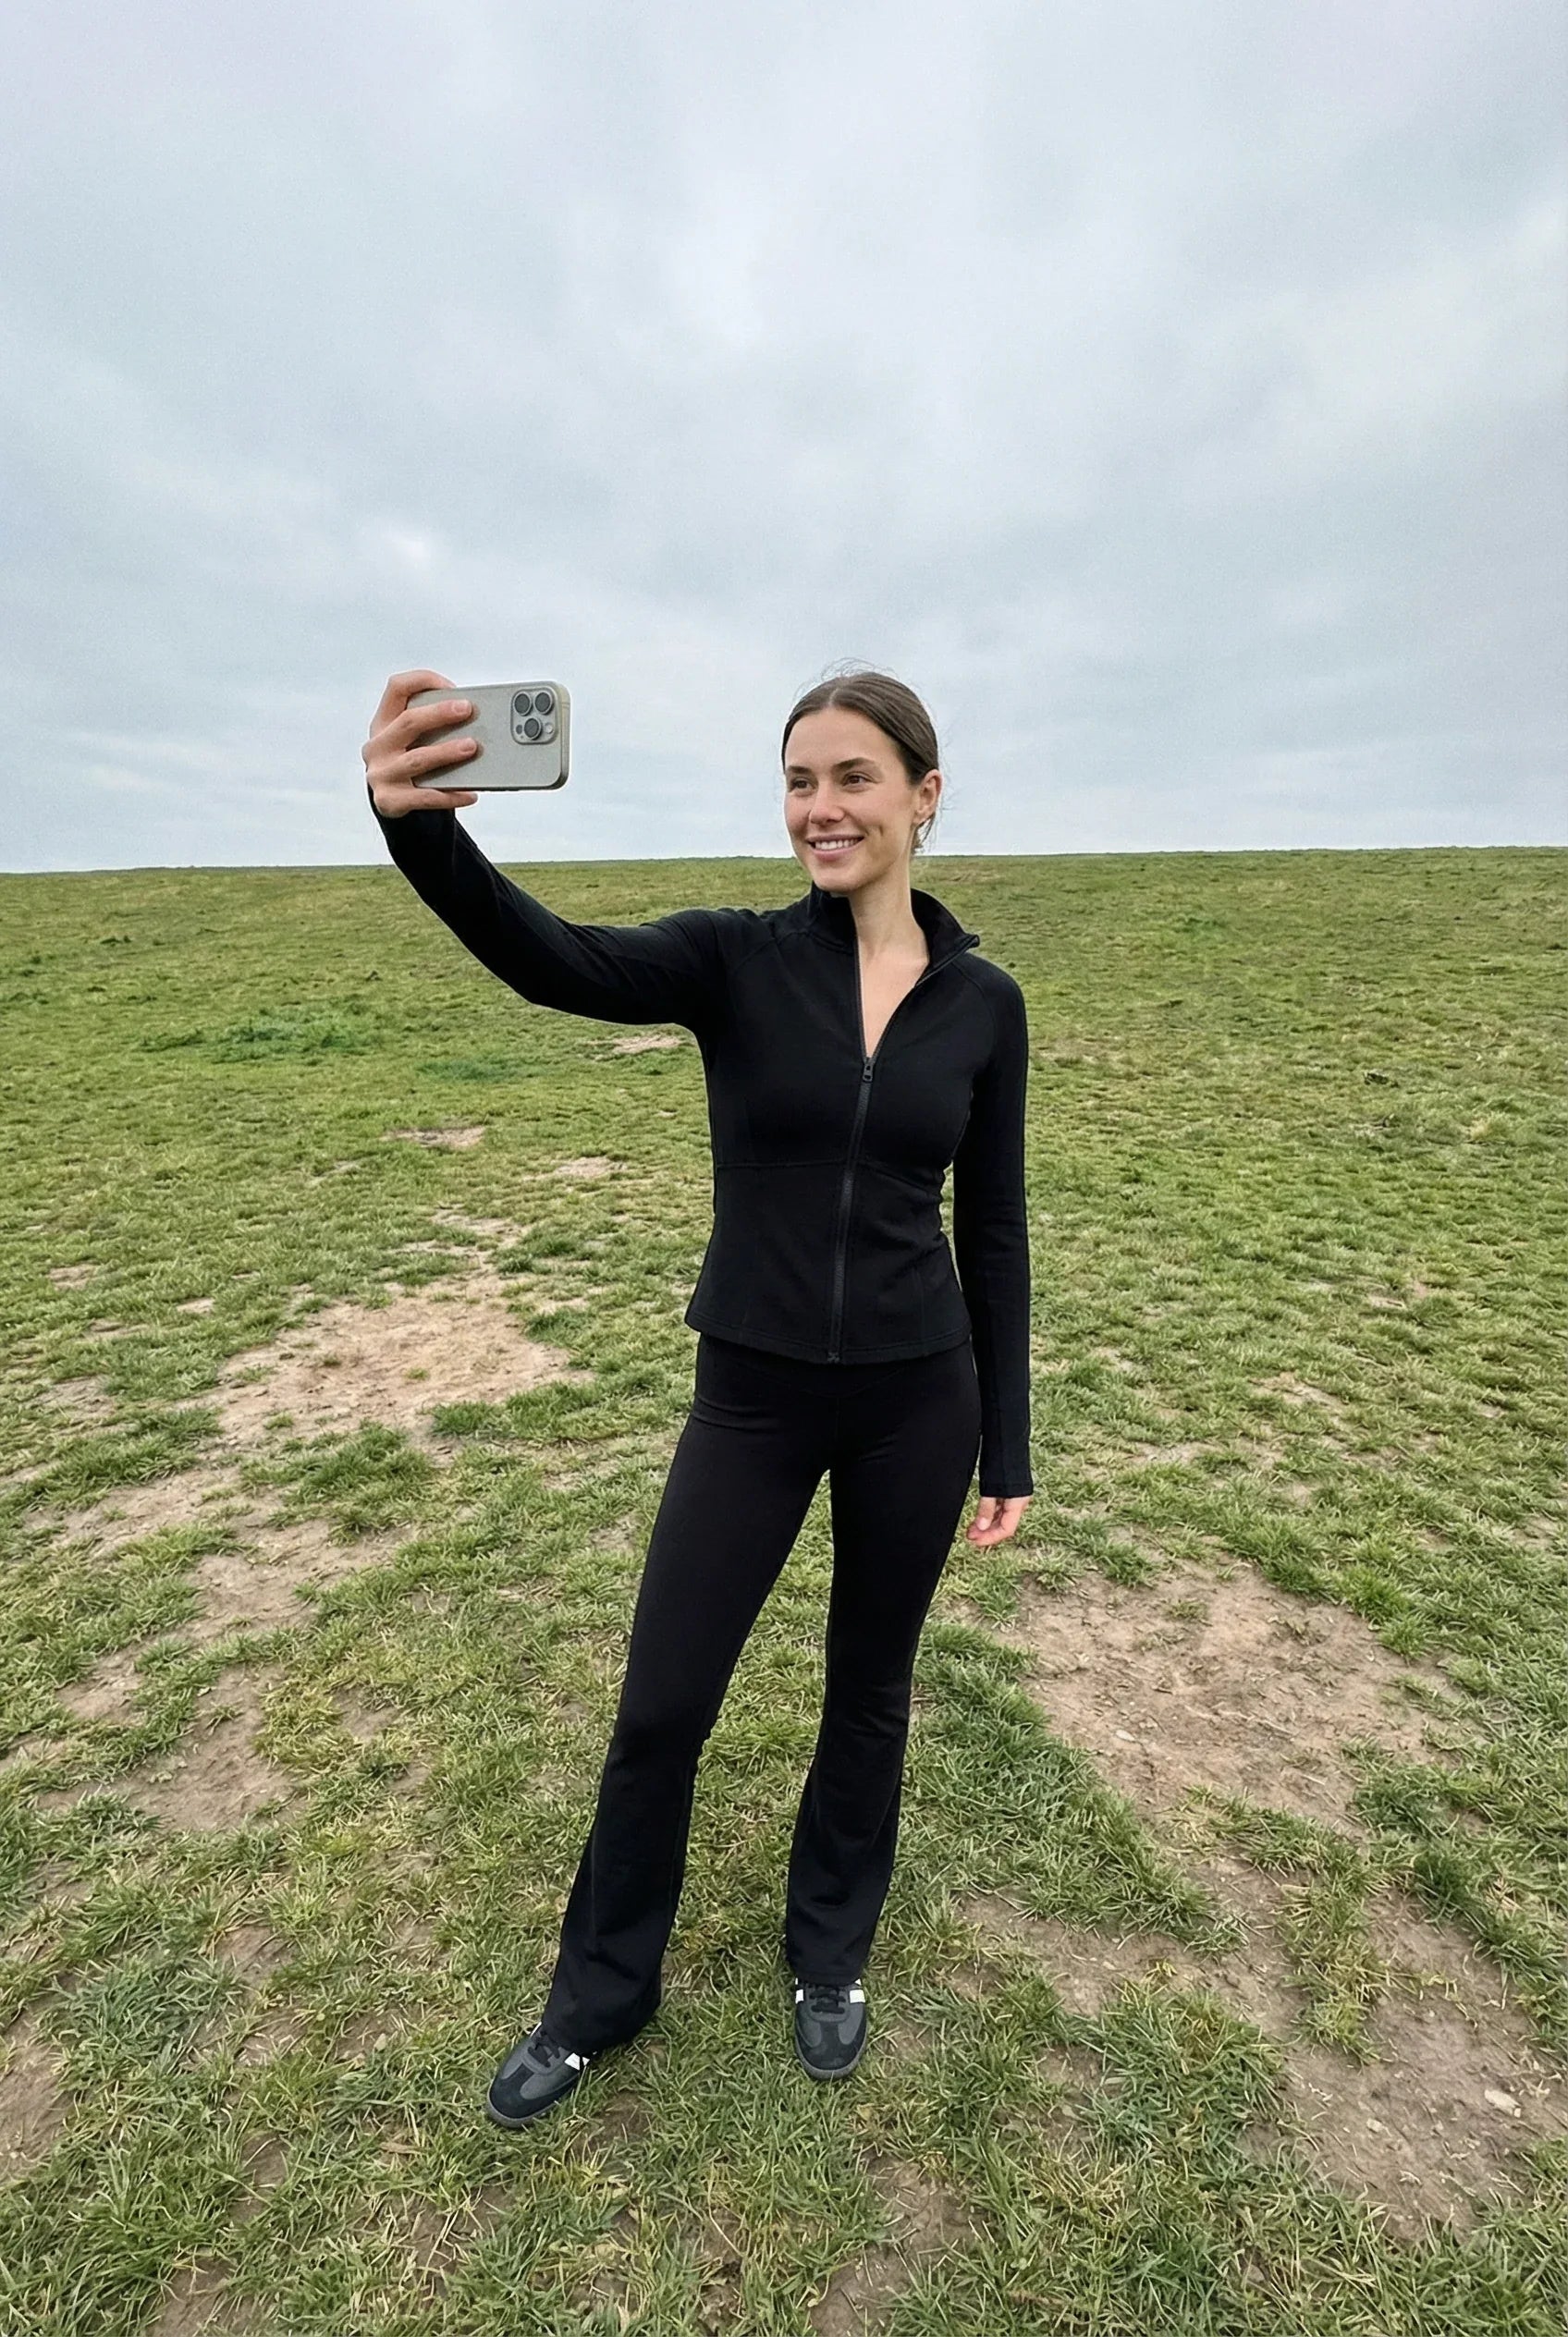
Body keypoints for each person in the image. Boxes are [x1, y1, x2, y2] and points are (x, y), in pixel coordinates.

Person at [361, 666, 1032, 2126]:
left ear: (925, 795)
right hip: (755, 1396)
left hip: (923, 1400)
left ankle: (830, 1955)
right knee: (664, 1704)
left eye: (853, 777)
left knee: (869, 1693)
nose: (821, 808)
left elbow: (995, 1226)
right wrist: (418, 831)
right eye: (799, 781)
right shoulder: (734, 960)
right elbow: (556, 961)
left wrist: (1011, 1446)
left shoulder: (985, 1004)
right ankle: (603, 1992)